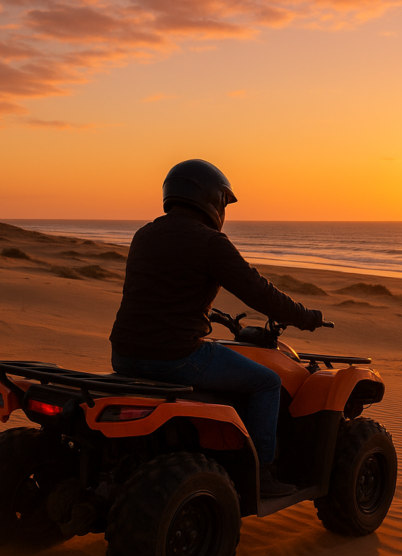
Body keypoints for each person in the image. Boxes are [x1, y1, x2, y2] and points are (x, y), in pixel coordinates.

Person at [109, 159, 325, 497]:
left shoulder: (144, 235)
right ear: (212, 198)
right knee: (267, 382)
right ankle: (261, 474)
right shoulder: (210, 242)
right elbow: (259, 292)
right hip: (177, 357)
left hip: (124, 355)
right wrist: (306, 317)